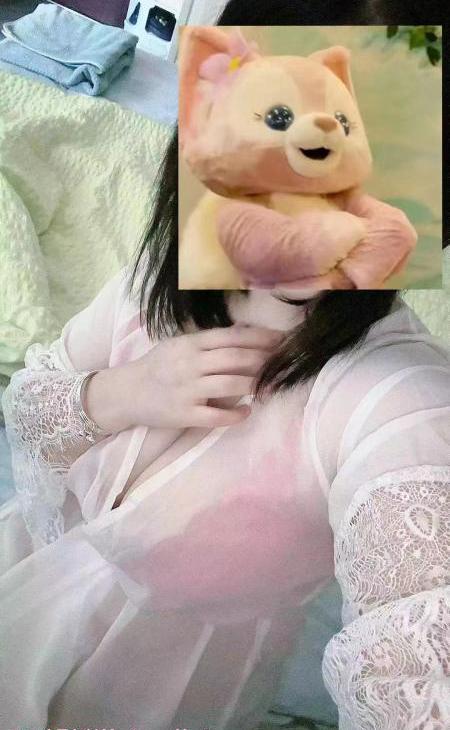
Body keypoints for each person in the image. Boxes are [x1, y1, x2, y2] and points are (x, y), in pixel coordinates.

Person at [0, 1, 448, 729]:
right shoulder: (158, 277)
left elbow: (420, 647)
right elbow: (33, 402)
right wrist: (121, 393)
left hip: (158, 693)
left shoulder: (395, 398)